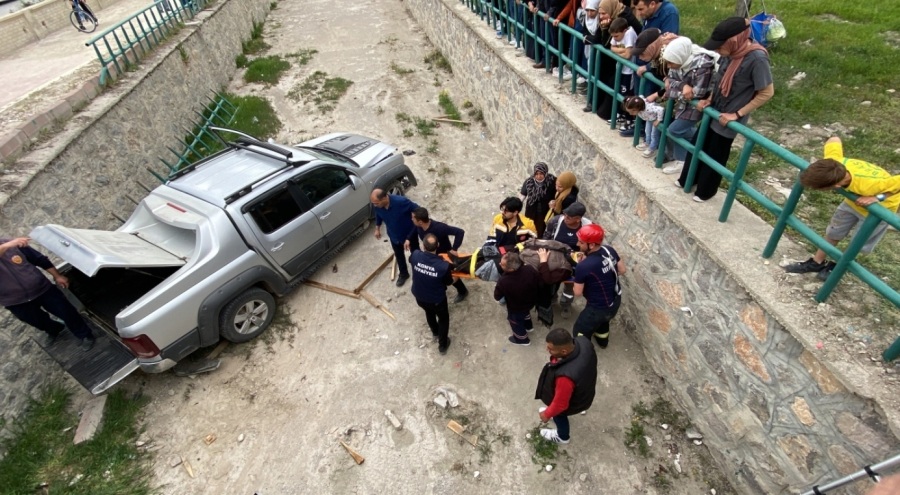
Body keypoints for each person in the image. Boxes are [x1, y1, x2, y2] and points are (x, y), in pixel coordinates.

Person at [676, 17, 774, 202]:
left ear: (733, 41)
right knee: (698, 145)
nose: (717, 50)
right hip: (714, 109)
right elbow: (720, 81)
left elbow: (766, 92)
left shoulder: (757, 58)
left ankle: (705, 191)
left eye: (720, 46)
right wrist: (709, 99)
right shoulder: (729, 55)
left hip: (729, 116)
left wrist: (737, 114)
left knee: (716, 153)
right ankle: (687, 180)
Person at [784, 136, 900, 280]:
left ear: (836, 186)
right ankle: (817, 262)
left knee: (858, 241)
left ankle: (837, 265)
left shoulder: (871, 184)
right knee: (834, 231)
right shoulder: (833, 163)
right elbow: (834, 138)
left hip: (879, 209)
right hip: (852, 203)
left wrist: (877, 198)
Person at [0, 237, 95, 351]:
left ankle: (85, 335)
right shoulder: (9, 244)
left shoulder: (13, 245)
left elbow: (39, 259)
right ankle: (54, 329)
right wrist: (6, 246)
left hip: (42, 288)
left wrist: (57, 276)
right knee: (36, 321)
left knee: (66, 311)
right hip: (14, 301)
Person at [658, 36, 718, 175]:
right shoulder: (678, 61)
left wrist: (673, 92)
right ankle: (688, 150)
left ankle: (682, 160)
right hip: (684, 103)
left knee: (674, 130)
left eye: (670, 63)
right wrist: (683, 85)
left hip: (700, 104)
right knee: (674, 129)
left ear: (680, 58)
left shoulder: (703, 65)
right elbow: (671, 79)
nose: (668, 67)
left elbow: (697, 94)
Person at [534, 328, 598, 444]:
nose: (547, 350)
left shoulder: (565, 377)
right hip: (585, 391)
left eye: (551, 349)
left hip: (573, 402)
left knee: (559, 415)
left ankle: (562, 437)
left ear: (564, 352)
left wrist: (547, 414)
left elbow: (560, 405)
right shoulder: (584, 342)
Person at [571, 224, 626, 348]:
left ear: (591, 245)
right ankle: (602, 342)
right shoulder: (609, 250)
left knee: (579, 332)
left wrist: (579, 272)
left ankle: (583, 354)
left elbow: (577, 293)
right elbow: (622, 270)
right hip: (615, 300)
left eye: (581, 242)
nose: (577, 244)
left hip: (597, 309)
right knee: (603, 322)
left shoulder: (584, 266)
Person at [406, 207, 469, 303]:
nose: (411, 219)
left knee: (450, 273)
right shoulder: (419, 226)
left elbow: (459, 232)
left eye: (413, 218)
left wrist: (454, 249)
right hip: (431, 255)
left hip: (444, 256)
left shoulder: (440, 227)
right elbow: (414, 229)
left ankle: (462, 291)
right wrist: (408, 239)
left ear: (420, 222)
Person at [543, 202, 592, 315]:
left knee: (570, 287)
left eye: (569, 217)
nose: (565, 218)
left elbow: (591, 247)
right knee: (552, 282)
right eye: (564, 214)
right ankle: (552, 299)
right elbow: (546, 239)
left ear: (578, 219)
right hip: (555, 261)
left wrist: (584, 256)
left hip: (575, 264)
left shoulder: (588, 227)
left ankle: (566, 305)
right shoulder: (555, 222)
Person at [410, 234, 455, 354]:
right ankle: (443, 345)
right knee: (443, 319)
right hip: (436, 300)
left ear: (423, 245)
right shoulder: (443, 266)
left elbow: (413, 262)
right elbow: (449, 282)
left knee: (429, 313)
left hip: (419, 296)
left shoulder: (415, 255)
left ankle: (435, 332)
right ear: (438, 246)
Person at [371, 189, 420, 287]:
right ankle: (404, 274)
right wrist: (377, 227)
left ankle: (419, 274)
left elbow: (419, 212)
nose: (375, 205)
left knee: (416, 255)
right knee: (399, 255)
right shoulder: (377, 206)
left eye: (376, 203)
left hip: (409, 236)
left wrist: (409, 237)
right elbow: (378, 214)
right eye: (374, 204)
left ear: (384, 198)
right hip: (394, 236)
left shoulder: (401, 202)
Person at [494, 252, 542, 346]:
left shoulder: (504, 281)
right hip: (531, 301)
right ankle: (529, 326)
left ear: (511, 269)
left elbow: (497, 296)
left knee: (515, 322)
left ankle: (522, 339)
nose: (499, 264)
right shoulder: (530, 269)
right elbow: (539, 282)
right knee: (525, 313)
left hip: (516, 307)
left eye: (502, 264)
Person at [520, 163, 557, 238]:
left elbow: (557, 193)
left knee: (541, 228)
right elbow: (523, 195)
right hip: (531, 209)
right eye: (536, 174)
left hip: (545, 210)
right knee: (529, 225)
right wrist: (517, 205)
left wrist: (553, 201)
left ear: (545, 172)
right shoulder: (529, 182)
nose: (539, 176)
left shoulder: (552, 181)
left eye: (541, 174)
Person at [623, 95, 665, 160]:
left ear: (637, 108)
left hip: (654, 119)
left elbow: (661, 109)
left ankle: (652, 148)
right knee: (647, 131)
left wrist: (659, 119)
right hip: (649, 119)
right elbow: (641, 96)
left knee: (654, 134)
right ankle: (647, 143)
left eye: (632, 111)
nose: (631, 114)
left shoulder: (648, 109)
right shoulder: (639, 106)